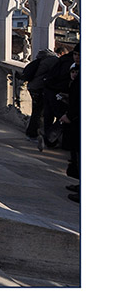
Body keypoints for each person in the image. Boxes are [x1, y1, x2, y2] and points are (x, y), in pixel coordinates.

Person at [21, 47, 62, 140]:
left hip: (33, 86)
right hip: (39, 88)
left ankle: (32, 132)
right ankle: (34, 133)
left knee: (36, 110)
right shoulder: (54, 61)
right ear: (61, 53)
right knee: (39, 112)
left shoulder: (42, 59)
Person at [60, 45, 80, 202]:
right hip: (74, 120)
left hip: (77, 120)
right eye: (75, 54)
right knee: (76, 155)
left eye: (79, 55)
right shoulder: (77, 71)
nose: (77, 57)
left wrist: (70, 115)